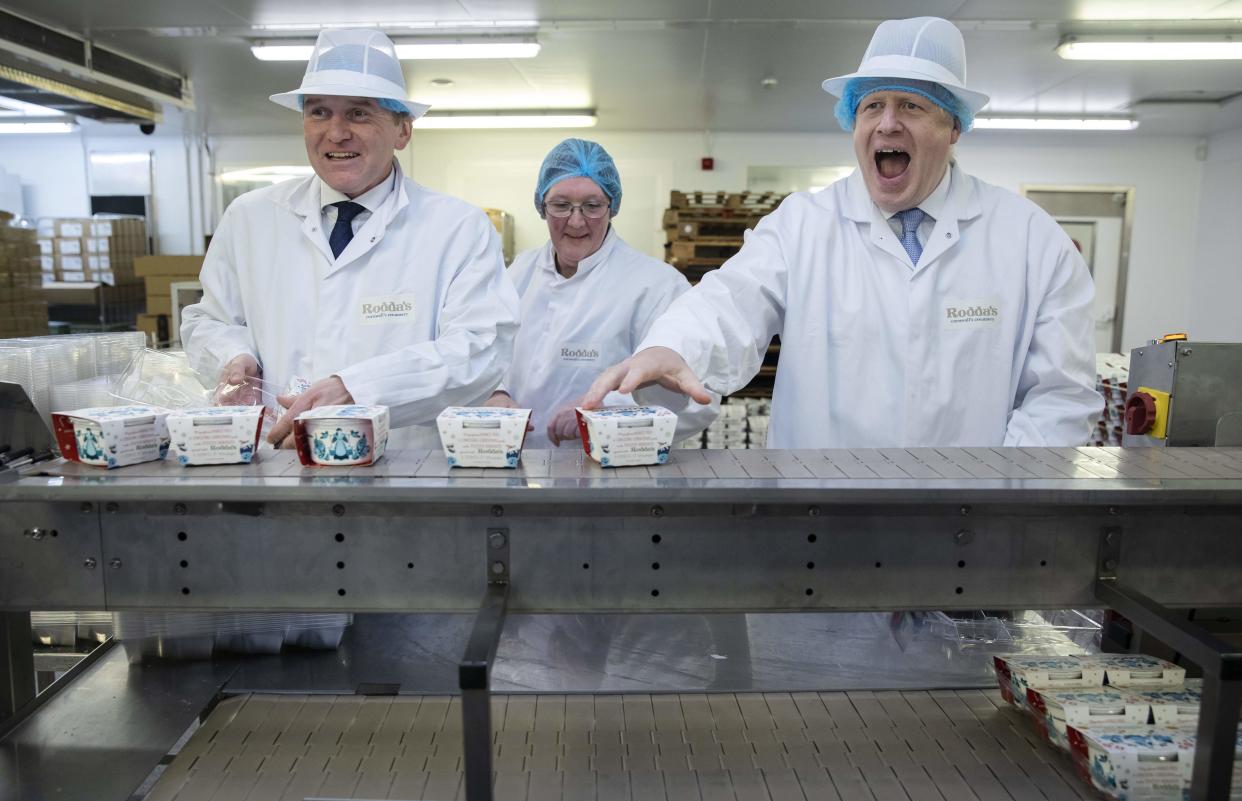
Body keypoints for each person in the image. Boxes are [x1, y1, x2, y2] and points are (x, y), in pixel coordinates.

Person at [583, 17, 1103, 448]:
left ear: (954, 128)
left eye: (912, 106)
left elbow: (1061, 396)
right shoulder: (801, 226)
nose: (887, 124)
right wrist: (673, 348)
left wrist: (998, 500)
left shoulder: (1031, 241)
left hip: (970, 531)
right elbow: (727, 304)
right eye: (872, 106)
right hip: (819, 525)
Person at [182, 29, 519, 448]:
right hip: (278, 461)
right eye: (319, 112)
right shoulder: (250, 218)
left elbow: (480, 349)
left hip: (402, 472)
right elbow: (209, 320)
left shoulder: (457, 228)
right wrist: (234, 358)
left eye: (359, 114)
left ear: (402, 130)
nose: (336, 133)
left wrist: (358, 390)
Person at [486, 139, 716, 447]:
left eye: (592, 206)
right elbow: (486, 352)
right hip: (519, 467)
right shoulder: (518, 275)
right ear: (542, 206)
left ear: (612, 207)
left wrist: (604, 416)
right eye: (561, 205)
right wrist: (496, 391)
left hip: (610, 475)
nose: (577, 220)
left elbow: (701, 396)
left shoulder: (655, 285)